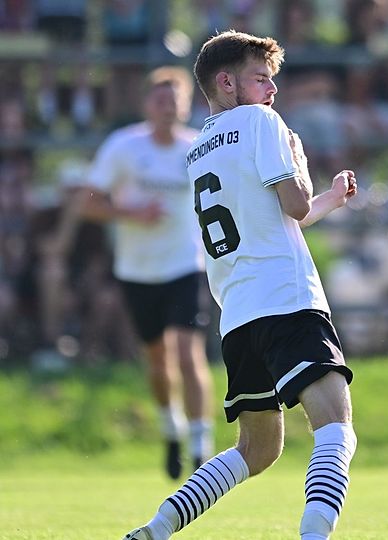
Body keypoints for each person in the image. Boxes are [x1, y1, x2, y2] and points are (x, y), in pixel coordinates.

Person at [123, 30, 359, 540]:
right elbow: (295, 202)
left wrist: (332, 199)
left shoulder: (197, 148)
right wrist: (299, 162)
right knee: (337, 428)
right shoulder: (261, 121)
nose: (272, 89)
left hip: (238, 315)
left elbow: (285, 216)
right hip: (287, 299)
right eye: (261, 78)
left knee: (257, 449)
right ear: (227, 82)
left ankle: (158, 527)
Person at [79, 66, 214, 479]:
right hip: (137, 270)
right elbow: (88, 203)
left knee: (189, 354)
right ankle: (171, 430)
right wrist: (131, 213)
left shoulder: (198, 147)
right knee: (158, 361)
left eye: (175, 100)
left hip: (185, 265)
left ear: (186, 106)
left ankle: (201, 445)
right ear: (146, 105)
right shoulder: (123, 146)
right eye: (160, 99)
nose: (167, 107)